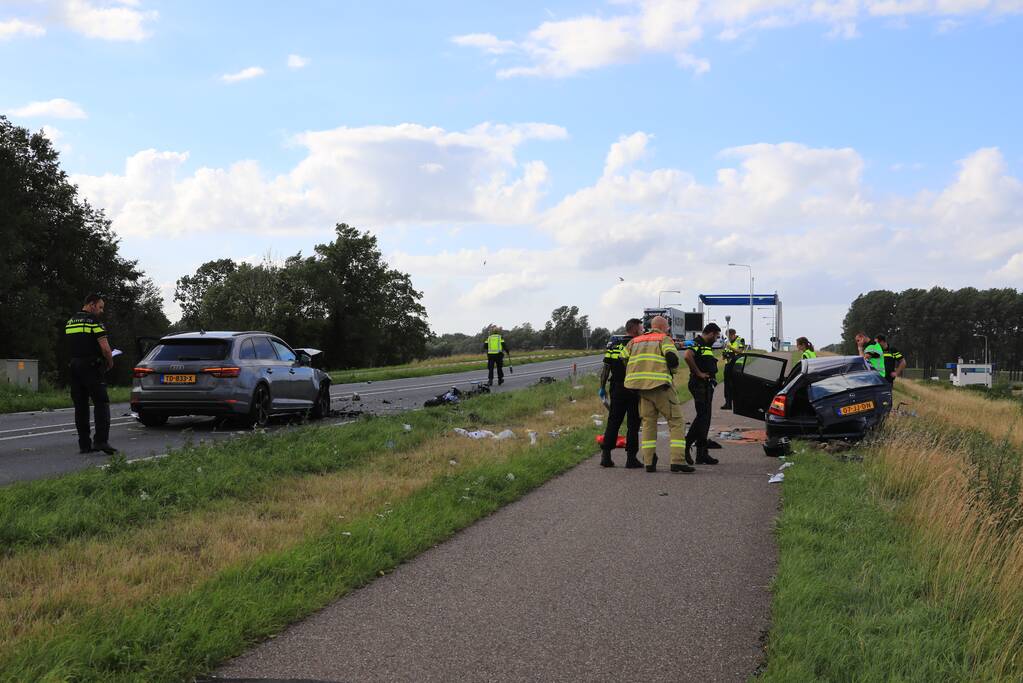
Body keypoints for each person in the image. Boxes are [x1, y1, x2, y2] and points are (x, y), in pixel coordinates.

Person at [621, 316, 695, 474]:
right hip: (661, 388)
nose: (668, 329)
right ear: (662, 327)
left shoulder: (635, 341)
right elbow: (672, 358)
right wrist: (672, 369)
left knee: (648, 424)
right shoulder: (664, 339)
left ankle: (648, 462)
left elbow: (623, 357)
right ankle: (677, 461)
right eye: (667, 327)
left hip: (641, 389)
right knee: (676, 422)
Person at [66, 293, 117, 455]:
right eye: (100, 307)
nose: (101, 311)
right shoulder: (94, 321)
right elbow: (105, 347)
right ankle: (101, 441)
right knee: (101, 403)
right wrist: (110, 361)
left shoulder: (70, 321)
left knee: (80, 406)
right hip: (91, 366)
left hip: (74, 366)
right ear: (92, 304)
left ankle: (84, 445)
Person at [597, 319, 643, 469]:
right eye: (641, 327)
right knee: (633, 424)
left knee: (613, 422)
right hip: (634, 389)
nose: (642, 330)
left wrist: (602, 387)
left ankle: (606, 456)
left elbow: (605, 369)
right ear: (635, 329)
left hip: (617, 388)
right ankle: (631, 459)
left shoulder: (614, 346)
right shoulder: (639, 346)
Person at [684, 323, 722, 466]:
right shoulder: (698, 343)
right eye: (716, 336)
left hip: (706, 386)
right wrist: (698, 373)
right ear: (711, 333)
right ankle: (686, 446)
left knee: (705, 419)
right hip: (699, 385)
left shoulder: (706, 346)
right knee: (702, 417)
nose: (716, 338)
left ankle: (702, 454)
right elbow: (687, 356)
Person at [719, 328, 746, 410]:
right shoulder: (727, 342)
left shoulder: (740, 340)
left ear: (734, 334)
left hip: (737, 364)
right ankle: (728, 403)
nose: (729, 337)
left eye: (730, 336)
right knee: (727, 384)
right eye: (728, 336)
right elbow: (726, 352)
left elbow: (740, 351)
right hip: (728, 364)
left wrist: (731, 348)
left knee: (737, 384)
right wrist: (724, 355)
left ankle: (739, 404)